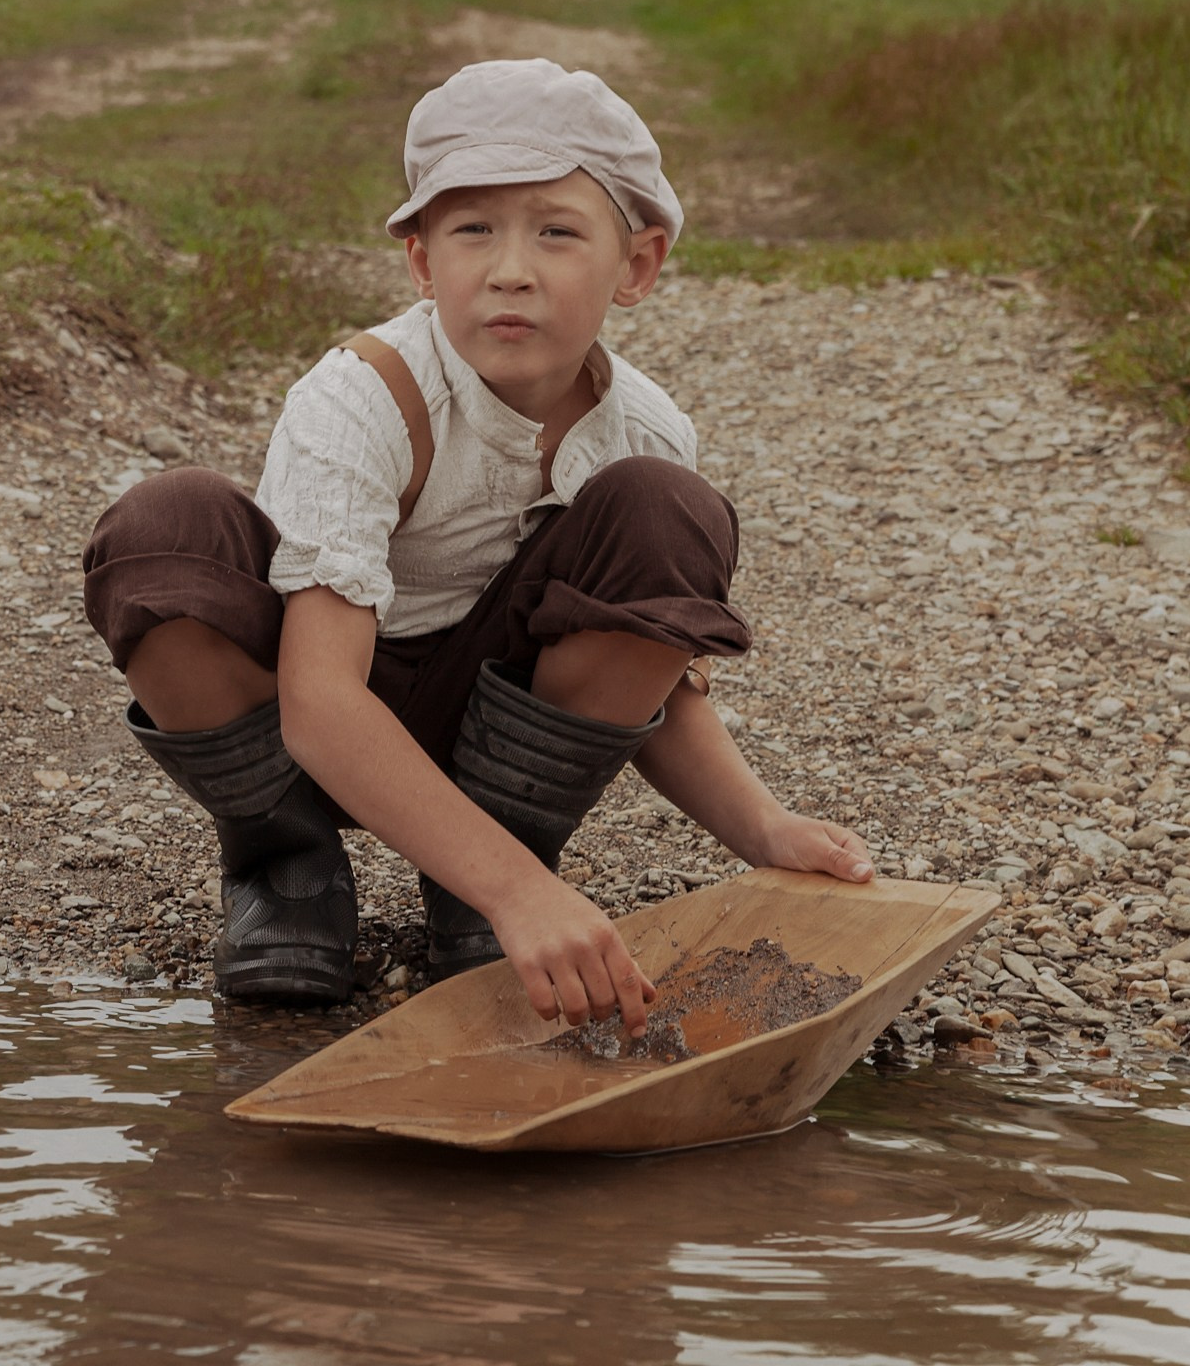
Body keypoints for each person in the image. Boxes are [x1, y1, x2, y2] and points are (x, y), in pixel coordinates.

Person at [81, 59, 871, 1033]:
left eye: (556, 231)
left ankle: (485, 877)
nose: (510, 269)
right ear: (422, 262)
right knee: (161, 528)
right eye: (473, 231)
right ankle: (287, 870)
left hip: (499, 730)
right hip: (312, 713)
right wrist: (523, 896)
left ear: (637, 265)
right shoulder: (362, 395)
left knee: (669, 508)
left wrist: (765, 828)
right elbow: (319, 701)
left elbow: (659, 680)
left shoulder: (647, 431)